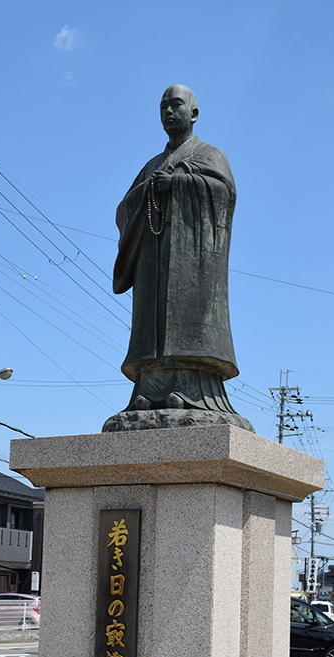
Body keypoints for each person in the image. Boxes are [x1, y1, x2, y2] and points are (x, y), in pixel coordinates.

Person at [110, 84, 250, 426]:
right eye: (163, 107)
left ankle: (196, 392)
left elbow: (225, 193)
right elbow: (123, 209)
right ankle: (150, 389)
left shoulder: (209, 155)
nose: (169, 112)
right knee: (151, 324)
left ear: (194, 113)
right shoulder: (151, 165)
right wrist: (150, 190)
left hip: (192, 261)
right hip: (153, 261)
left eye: (176, 105)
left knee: (189, 321)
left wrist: (182, 181)